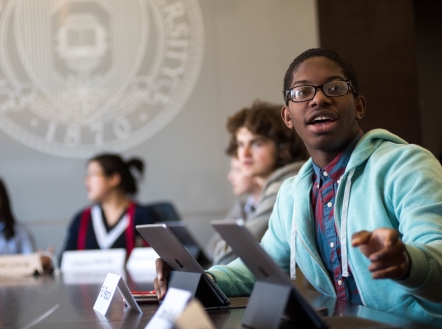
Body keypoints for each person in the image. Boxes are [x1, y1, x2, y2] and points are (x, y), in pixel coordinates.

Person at [155, 48, 442, 325]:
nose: (318, 99)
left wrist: (407, 262)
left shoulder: (407, 165)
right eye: (303, 92)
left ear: (359, 106)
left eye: (334, 88)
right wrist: (200, 279)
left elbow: (436, 250)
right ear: (288, 117)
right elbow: (259, 268)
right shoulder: (292, 193)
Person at [206, 101, 308, 265]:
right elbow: (212, 250)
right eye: (240, 144)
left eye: (256, 143)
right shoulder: (271, 187)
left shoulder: (285, 187)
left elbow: (227, 257)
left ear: (284, 149)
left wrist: (223, 248)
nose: (244, 153)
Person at [62, 153, 156, 256]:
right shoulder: (82, 218)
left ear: (113, 179)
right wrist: (47, 263)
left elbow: (154, 258)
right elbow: (65, 259)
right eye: (87, 175)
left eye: (93, 174)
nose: (87, 180)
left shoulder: (142, 216)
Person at [204, 157, 261, 263]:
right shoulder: (242, 205)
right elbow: (211, 248)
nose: (230, 176)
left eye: (238, 170)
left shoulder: (270, 207)